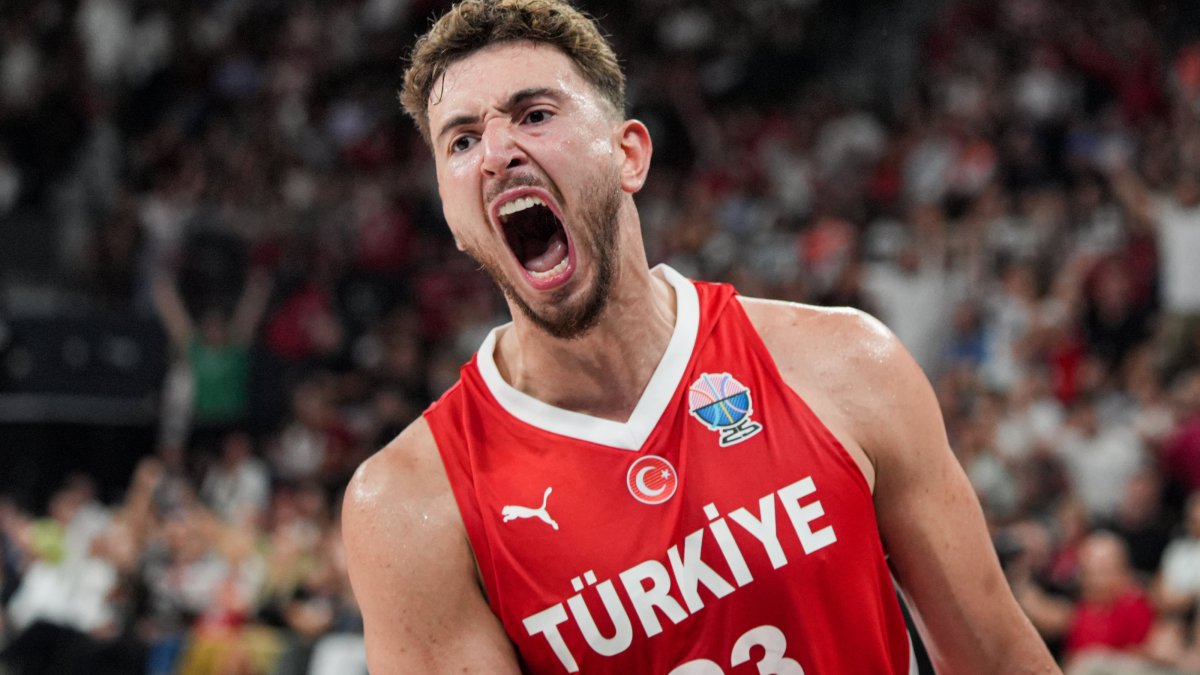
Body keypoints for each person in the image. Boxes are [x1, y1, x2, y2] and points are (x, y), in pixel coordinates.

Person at [341, 0, 1059, 672]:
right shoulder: (411, 506)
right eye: (462, 139)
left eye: (533, 114)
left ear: (629, 155)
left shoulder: (843, 363)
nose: (497, 152)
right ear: (450, 209)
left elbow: (995, 655)